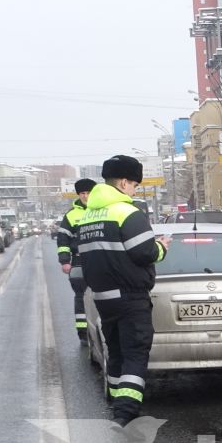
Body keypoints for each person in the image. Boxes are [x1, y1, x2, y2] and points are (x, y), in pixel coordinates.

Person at [78, 155, 165, 426]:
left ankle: (117, 403)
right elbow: (144, 252)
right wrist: (162, 247)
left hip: (104, 298)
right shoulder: (127, 212)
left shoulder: (88, 216)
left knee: (115, 352)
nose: (135, 190)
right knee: (135, 353)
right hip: (130, 297)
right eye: (135, 185)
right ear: (125, 182)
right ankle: (125, 413)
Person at [54, 178, 97, 345]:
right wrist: (65, 261)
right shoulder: (71, 215)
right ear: (78, 195)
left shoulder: (102, 211)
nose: (86, 196)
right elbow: (63, 241)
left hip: (100, 260)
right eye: (82, 193)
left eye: (88, 193)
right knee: (81, 297)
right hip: (79, 261)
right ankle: (83, 333)